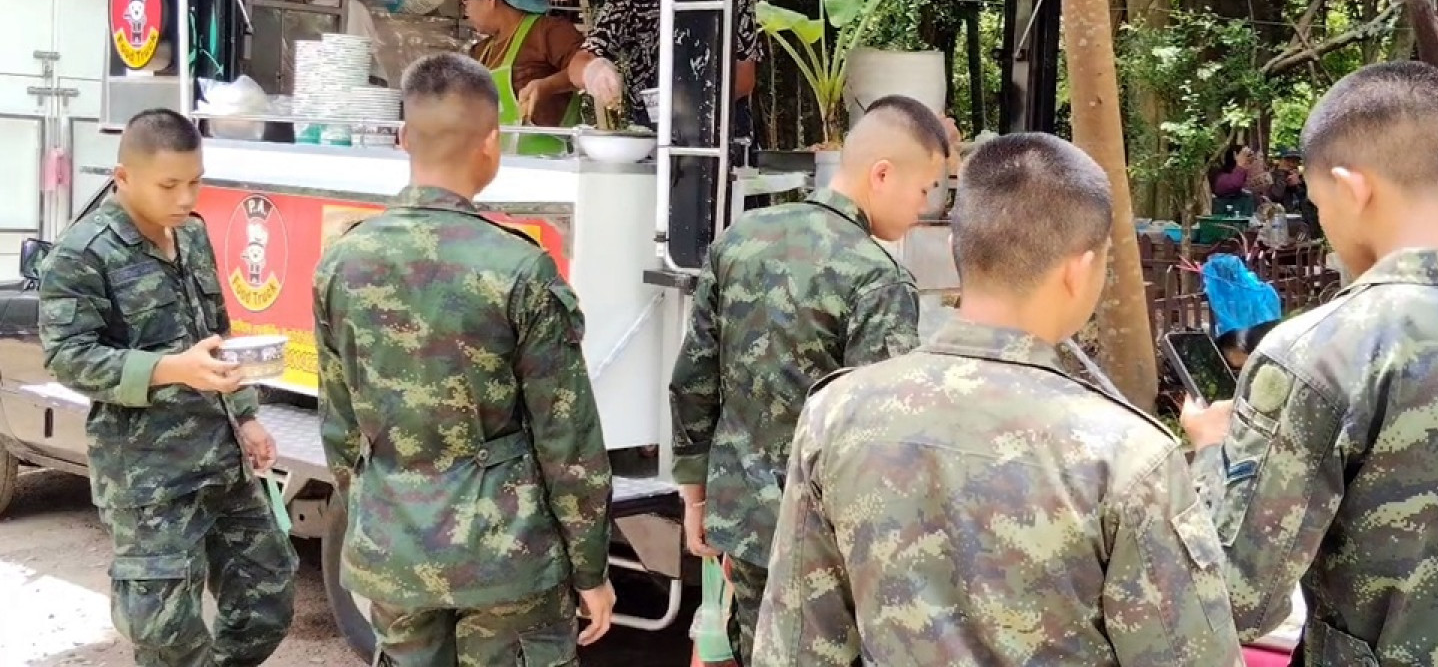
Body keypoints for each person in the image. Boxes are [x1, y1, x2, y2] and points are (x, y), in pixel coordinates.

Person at [754, 133, 1242, 666]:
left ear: (954, 248)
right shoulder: (1127, 456)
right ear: (1080, 270)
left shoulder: (835, 414)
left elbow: (795, 648)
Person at [1181, 61, 1438, 664]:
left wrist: (1213, 451)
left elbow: (1236, 597)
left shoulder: (1320, 351)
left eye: (1320, 204)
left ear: (1352, 188)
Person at [313, 53, 615, 666]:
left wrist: (382, 516)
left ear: (403, 138)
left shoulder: (343, 263)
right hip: (507, 559)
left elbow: (340, 426)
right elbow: (567, 441)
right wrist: (590, 569)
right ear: (492, 143)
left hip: (395, 548)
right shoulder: (520, 269)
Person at [670, 95, 951, 666]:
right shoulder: (877, 279)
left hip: (743, 521)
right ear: (881, 174)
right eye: (925, 189)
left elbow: (695, 375)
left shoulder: (741, 238)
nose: (924, 207)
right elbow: (878, 440)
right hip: (824, 540)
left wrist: (695, 494)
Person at [37, 108, 297, 666]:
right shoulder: (83, 253)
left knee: (266, 602)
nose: (185, 198)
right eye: (169, 185)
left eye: (195, 182)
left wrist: (246, 415)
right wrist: (170, 369)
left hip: (221, 456)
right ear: (123, 177)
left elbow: (216, 334)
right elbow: (67, 356)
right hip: (148, 475)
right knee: (165, 632)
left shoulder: (192, 234)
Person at [564, 0, 765, 167]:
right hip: (650, 135)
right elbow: (580, 61)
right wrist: (593, 71)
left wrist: (692, 99)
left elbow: (745, 77)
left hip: (720, 131)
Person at [453, 0, 602, 156]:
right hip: (499, 165)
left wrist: (548, 86)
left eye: (466, 2)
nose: (465, 12)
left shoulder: (548, 31)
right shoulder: (480, 52)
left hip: (550, 163)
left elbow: (587, 69)